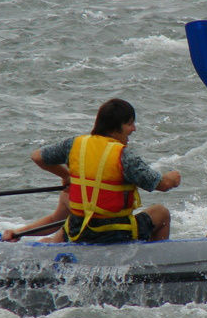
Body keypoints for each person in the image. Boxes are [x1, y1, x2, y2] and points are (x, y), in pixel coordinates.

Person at [30, 98, 181, 243]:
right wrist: (173, 178)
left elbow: (37, 157)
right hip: (115, 233)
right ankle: (153, 265)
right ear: (116, 127)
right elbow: (162, 185)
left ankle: (52, 245)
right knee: (161, 213)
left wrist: (66, 175)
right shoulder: (124, 155)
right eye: (129, 124)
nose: (134, 129)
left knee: (68, 199)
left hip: (78, 231)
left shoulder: (75, 144)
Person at [1, 189, 70, 243]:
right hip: (65, 243)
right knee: (44, 241)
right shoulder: (67, 193)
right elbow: (54, 220)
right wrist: (18, 232)